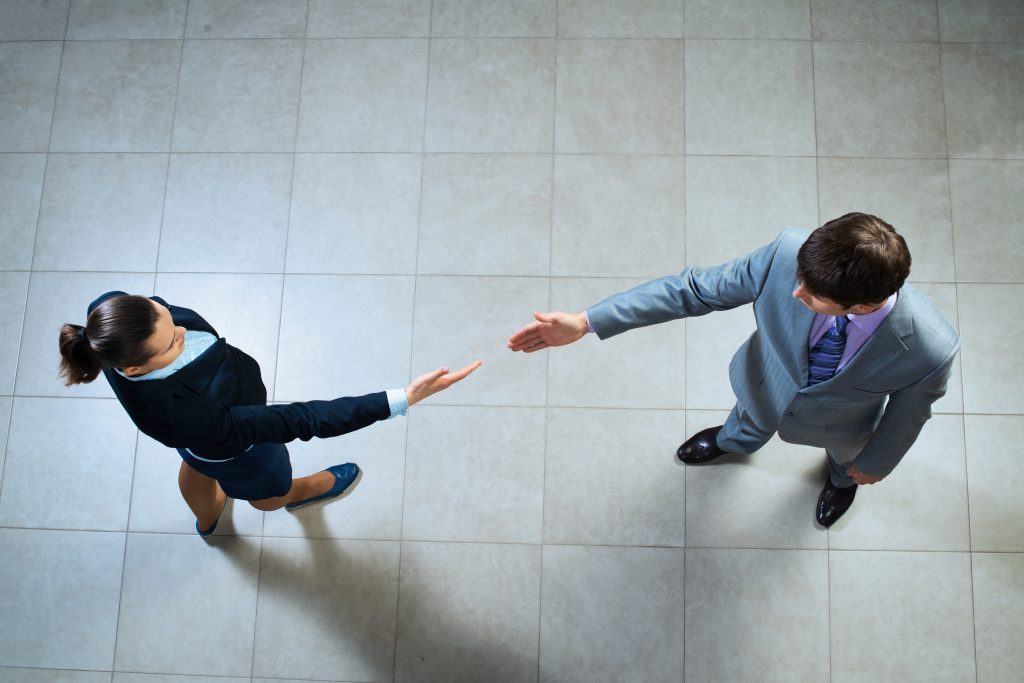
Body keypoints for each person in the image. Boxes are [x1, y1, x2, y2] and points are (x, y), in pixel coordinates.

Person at [507, 213, 959, 527]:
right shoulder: (786, 254)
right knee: (745, 421)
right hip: (764, 382)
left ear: (862, 306)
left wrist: (876, 463)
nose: (795, 292)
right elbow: (692, 290)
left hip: (846, 424)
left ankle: (841, 483)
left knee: (848, 463)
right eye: (799, 278)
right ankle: (731, 442)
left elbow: (909, 413)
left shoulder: (930, 348)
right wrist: (587, 322)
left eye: (813, 295)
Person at [59, 291, 480, 537]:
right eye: (171, 345)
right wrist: (401, 398)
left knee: (197, 463)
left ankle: (208, 520)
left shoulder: (109, 320)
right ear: (133, 368)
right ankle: (297, 494)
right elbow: (301, 420)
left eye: (165, 314)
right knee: (269, 489)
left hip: (199, 446)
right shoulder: (191, 415)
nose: (183, 332)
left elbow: (161, 325)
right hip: (238, 449)